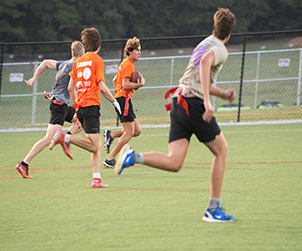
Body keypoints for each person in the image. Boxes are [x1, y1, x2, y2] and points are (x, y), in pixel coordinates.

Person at [115, 8, 237, 222]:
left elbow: (198, 78)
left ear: (214, 27)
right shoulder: (220, 49)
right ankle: (213, 209)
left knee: (175, 162)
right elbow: (206, 64)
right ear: (229, 34)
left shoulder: (205, 42)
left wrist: (222, 93)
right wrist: (209, 102)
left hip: (179, 101)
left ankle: (133, 157)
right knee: (222, 151)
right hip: (193, 104)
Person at [50, 27, 122, 188]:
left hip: (81, 107)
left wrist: (76, 105)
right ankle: (64, 137)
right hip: (91, 107)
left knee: (95, 147)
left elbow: (70, 88)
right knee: (95, 145)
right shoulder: (97, 60)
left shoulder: (78, 62)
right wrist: (114, 102)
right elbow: (102, 88)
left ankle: (96, 179)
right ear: (99, 45)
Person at [15, 41, 85, 179]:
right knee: (48, 139)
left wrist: (34, 79)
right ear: (82, 55)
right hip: (59, 106)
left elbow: (46, 62)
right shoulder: (75, 66)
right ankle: (24, 163)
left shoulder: (63, 64)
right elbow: (71, 88)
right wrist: (77, 103)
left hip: (61, 105)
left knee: (82, 120)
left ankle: (65, 138)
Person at [103, 37, 145, 168]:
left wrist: (119, 93)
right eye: (137, 50)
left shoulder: (126, 63)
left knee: (137, 130)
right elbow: (125, 84)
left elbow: (115, 80)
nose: (139, 52)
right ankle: (110, 159)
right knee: (129, 133)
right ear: (130, 51)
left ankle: (111, 134)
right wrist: (140, 84)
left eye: (140, 50)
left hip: (123, 99)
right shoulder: (128, 64)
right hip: (123, 99)